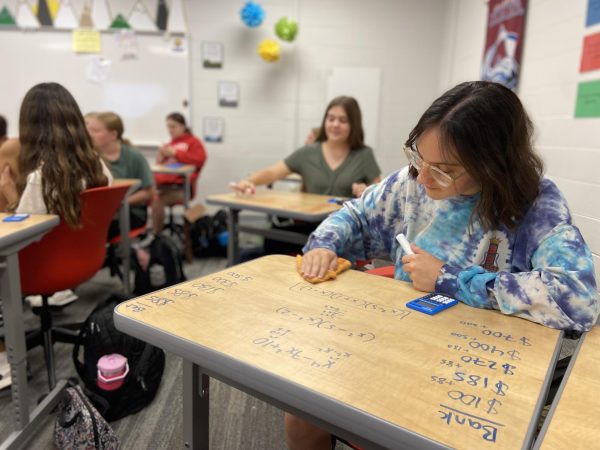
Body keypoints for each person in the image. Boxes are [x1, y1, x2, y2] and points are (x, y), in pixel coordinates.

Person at [290, 81, 599, 449]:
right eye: (419, 157)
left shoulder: (533, 204)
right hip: (398, 341)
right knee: (300, 411)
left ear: (492, 165)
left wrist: (449, 279)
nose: (422, 177)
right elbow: (355, 214)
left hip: (474, 367)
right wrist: (325, 245)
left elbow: (579, 299)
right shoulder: (413, 181)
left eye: (445, 169)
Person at [0, 82, 112, 388]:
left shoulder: (39, 177)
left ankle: (4, 360)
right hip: (84, 263)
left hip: (41, 270)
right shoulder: (98, 166)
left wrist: (10, 195)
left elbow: (22, 236)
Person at [230, 96, 381, 200]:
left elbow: (382, 196)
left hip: (349, 233)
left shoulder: (364, 155)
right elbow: (273, 172)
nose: (335, 124)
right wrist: (249, 181)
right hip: (311, 229)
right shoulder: (308, 152)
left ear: (354, 124)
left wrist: (366, 192)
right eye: (331, 119)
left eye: (343, 120)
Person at [85, 112, 155, 238]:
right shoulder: (89, 157)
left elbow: (149, 191)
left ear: (113, 135)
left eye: (95, 130)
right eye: (88, 130)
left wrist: (121, 203)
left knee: (96, 230)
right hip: (103, 212)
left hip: (130, 212)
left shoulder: (134, 157)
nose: (89, 134)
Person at [151, 112, 207, 234]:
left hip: (182, 188)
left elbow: (199, 160)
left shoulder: (193, 142)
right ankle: (148, 232)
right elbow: (161, 168)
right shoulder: (169, 144)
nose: (170, 130)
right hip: (164, 186)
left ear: (183, 126)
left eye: (173, 127)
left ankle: (156, 236)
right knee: (146, 196)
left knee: (157, 202)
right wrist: (160, 159)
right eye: (168, 127)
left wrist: (176, 154)